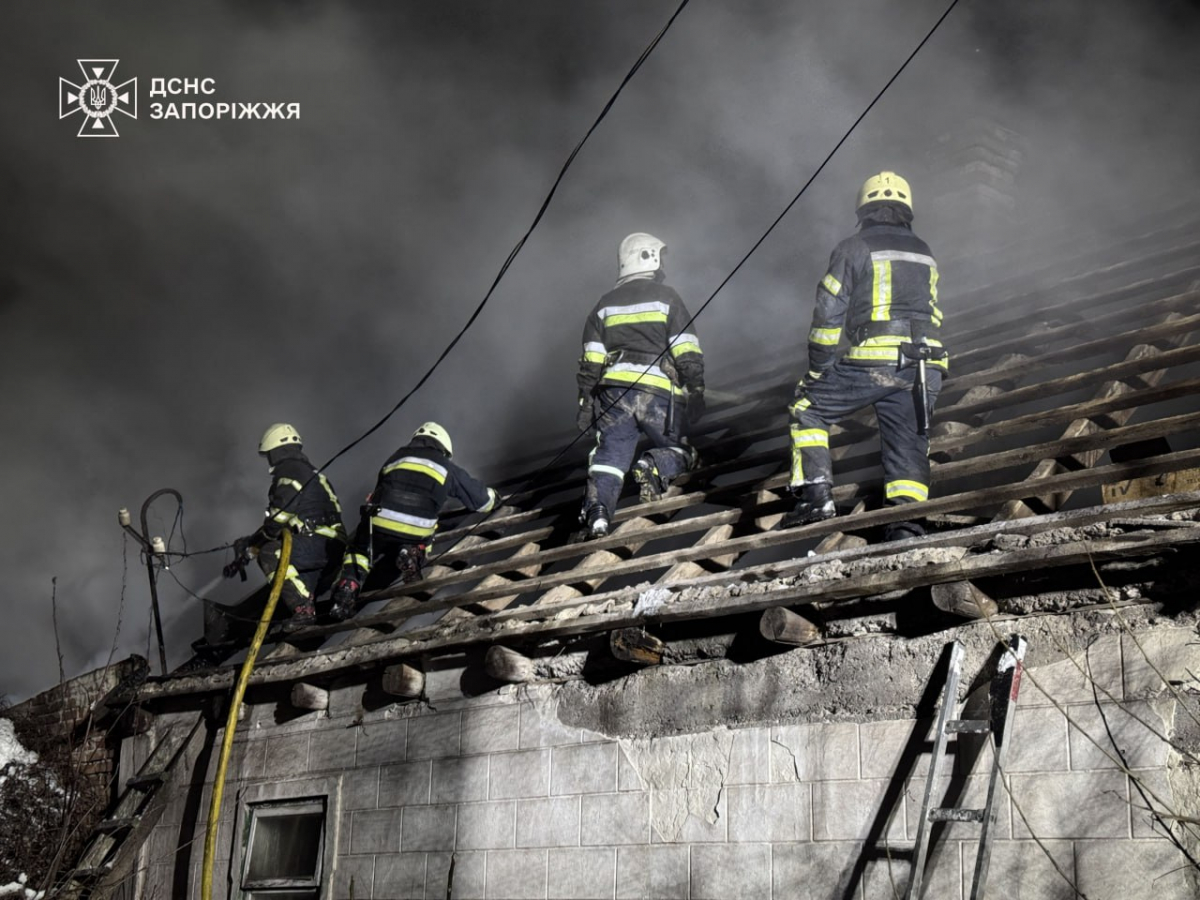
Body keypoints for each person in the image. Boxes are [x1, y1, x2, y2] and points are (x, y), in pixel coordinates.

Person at [781, 171, 947, 540]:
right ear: (906, 210)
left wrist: (820, 369)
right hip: (925, 364)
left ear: (864, 210)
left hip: (877, 359)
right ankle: (906, 528)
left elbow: (828, 313)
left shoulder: (853, 247)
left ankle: (816, 498)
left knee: (808, 407)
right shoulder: (924, 251)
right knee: (909, 444)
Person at [575, 232, 705, 539]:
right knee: (680, 450)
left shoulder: (602, 305)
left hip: (613, 396)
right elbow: (685, 348)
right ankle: (654, 465)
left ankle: (598, 513)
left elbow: (591, 360)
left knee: (608, 458)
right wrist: (696, 387)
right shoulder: (667, 296)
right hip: (656, 394)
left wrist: (585, 400)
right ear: (649, 257)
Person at [329, 422, 498, 620]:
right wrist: (496, 497)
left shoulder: (395, 458)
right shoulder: (446, 467)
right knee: (424, 529)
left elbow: (377, 494)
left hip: (380, 522)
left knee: (359, 551)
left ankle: (346, 591)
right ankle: (411, 552)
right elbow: (482, 501)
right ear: (444, 448)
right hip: (415, 528)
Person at [223, 423, 348, 631]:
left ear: (276, 452)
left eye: (269, 454)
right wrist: (251, 544)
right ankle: (305, 614)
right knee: (298, 589)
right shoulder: (310, 472)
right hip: (329, 546)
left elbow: (278, 519)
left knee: (270, 554)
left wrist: (255, 545)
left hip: (317, 543)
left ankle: (303, 610)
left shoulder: (290, 471)